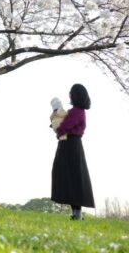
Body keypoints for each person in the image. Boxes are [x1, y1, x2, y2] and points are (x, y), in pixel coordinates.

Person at [51, 83, 95, 220]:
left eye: (71, 92)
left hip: (71, 145)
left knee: (73, 178)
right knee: (71, 177)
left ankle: (77, 214)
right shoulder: (75, 111)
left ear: (76, 95)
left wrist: (57, 126)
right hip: (69, 144)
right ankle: (76, 213)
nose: (69, 94)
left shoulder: (77, 111)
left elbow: (65, 126)